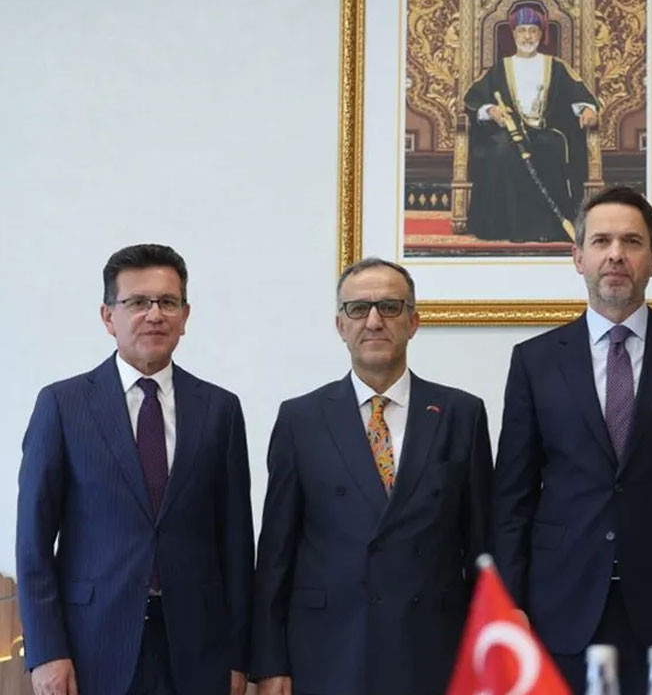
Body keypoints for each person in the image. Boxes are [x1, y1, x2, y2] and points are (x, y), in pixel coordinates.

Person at [491, 186, 652, 694]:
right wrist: (509, 602)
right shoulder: (535, 361)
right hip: (561, 602)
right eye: (601, 241)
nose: (616, 254)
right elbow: (512, 497)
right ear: (578, 257)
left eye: (632, 241)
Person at [17, 244, 254, 695]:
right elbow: (33, 542)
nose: (155, 315)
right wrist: (46, 650)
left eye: (168, 302)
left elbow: (237, 543)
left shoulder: (219, 409)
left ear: (185, 316)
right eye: (138, 302)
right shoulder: (63, 405)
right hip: (92, 644)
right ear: (109, 317)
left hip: (198, 649)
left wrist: (238, 656)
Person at [251, 258, 493, 695]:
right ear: (340, 325)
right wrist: (270, 663)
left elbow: (481, 546)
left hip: (432, 649)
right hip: (328, 650)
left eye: (390, 307)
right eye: (359, 309)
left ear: (414, 322)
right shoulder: (300, 419)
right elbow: (275, 555)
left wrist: (488, 652)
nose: (375, 321)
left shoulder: (461, 414)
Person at [463, 1, 600, 243]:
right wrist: (491, 110)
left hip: (547, 131)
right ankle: (507, 228)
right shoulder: (500, 68)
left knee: (552, 148)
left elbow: (580, 95)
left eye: (533, 31)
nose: (527, 36)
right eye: (522, 31)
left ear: (540, 34)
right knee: (502, 151)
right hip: (509, 133)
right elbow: (473, 100)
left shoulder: (556, 67)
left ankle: (548, 228)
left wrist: (588, 110)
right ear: (514, 34)